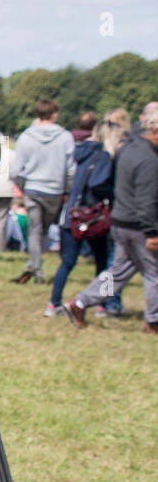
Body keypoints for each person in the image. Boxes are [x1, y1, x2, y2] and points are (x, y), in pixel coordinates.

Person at [65, 104, 158, 334]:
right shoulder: (150, 160)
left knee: (116, 273)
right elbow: (146, 200)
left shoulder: (128, 148)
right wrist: (152, 232)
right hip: (139, 225)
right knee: (153, 272)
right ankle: (154, 321)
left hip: (120, 221)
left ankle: (80, 303)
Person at [47, 119, 124, 317]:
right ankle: (102, 303)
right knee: (103, 264)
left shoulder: (80, 152)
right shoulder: (104, 156)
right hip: (93, 216)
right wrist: (113, 194)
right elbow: (98, 183)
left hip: (72, 213)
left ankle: (53, 303)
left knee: (67, 262)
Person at [10, 98, 74, 284]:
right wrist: (66, 190)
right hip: (54, 190)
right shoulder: (65, 137)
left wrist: (23, 187)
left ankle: (34, 268)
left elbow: (16, 171)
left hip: (33, 188)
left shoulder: (26, 137)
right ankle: (36, 268)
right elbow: (70, 170)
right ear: (54, 114)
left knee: (34, 230)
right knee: (43, 231)